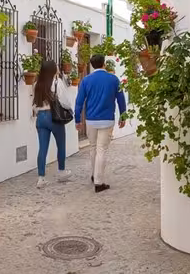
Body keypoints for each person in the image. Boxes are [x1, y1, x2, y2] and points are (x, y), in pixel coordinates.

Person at [74, 54, 127, 193]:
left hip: (91, 119)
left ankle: (94, 175)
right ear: (104, 63)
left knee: (93, 148)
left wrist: (77, 119)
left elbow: (79, 101)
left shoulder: (86, 80)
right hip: (107, 119)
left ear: (92, 65)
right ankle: (98, 182)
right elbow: (121, 99)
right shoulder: (113, 79)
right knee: (102, 149)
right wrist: (123, 115)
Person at [32, 60, 73, 189]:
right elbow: (65, 102)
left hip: (40, 117)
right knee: (61, 144)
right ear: (52, 69)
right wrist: (69, 109)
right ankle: (61, 172)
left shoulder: (36, 84)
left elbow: (34, 102)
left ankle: (41, 178)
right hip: (53, 117)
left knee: (42, 148)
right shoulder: (57, 82)